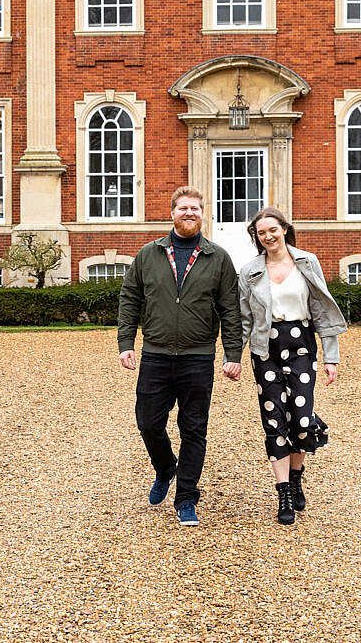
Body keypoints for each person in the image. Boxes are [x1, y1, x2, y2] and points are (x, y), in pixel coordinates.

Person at [118, 186, 243, 527]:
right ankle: (165, 468)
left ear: (203, 214)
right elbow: (130, 299)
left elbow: (230, 310)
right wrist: (126, 342)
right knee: (148, 422)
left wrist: (233, 353)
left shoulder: (217, 258)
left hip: (197, 357)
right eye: (183, 208)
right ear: (171, 212)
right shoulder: (149, 254)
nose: (189, 213)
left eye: (195, 208)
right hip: (156, 355)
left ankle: (186, 497)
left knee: (194, 430)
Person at [238, 207, 347, 525]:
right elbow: (244, 318)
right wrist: (233, 356)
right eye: (261, 233)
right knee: (274, 421)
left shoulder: (306, 262)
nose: (268, 236)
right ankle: (284, 492)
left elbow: (322, 311)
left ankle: (296, 475)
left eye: (273, 229)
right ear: (257, 238)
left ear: (285, 229)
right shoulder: (250, 271)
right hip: (265, 348)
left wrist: (331, 357)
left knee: (300, 419)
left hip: (301, 345)